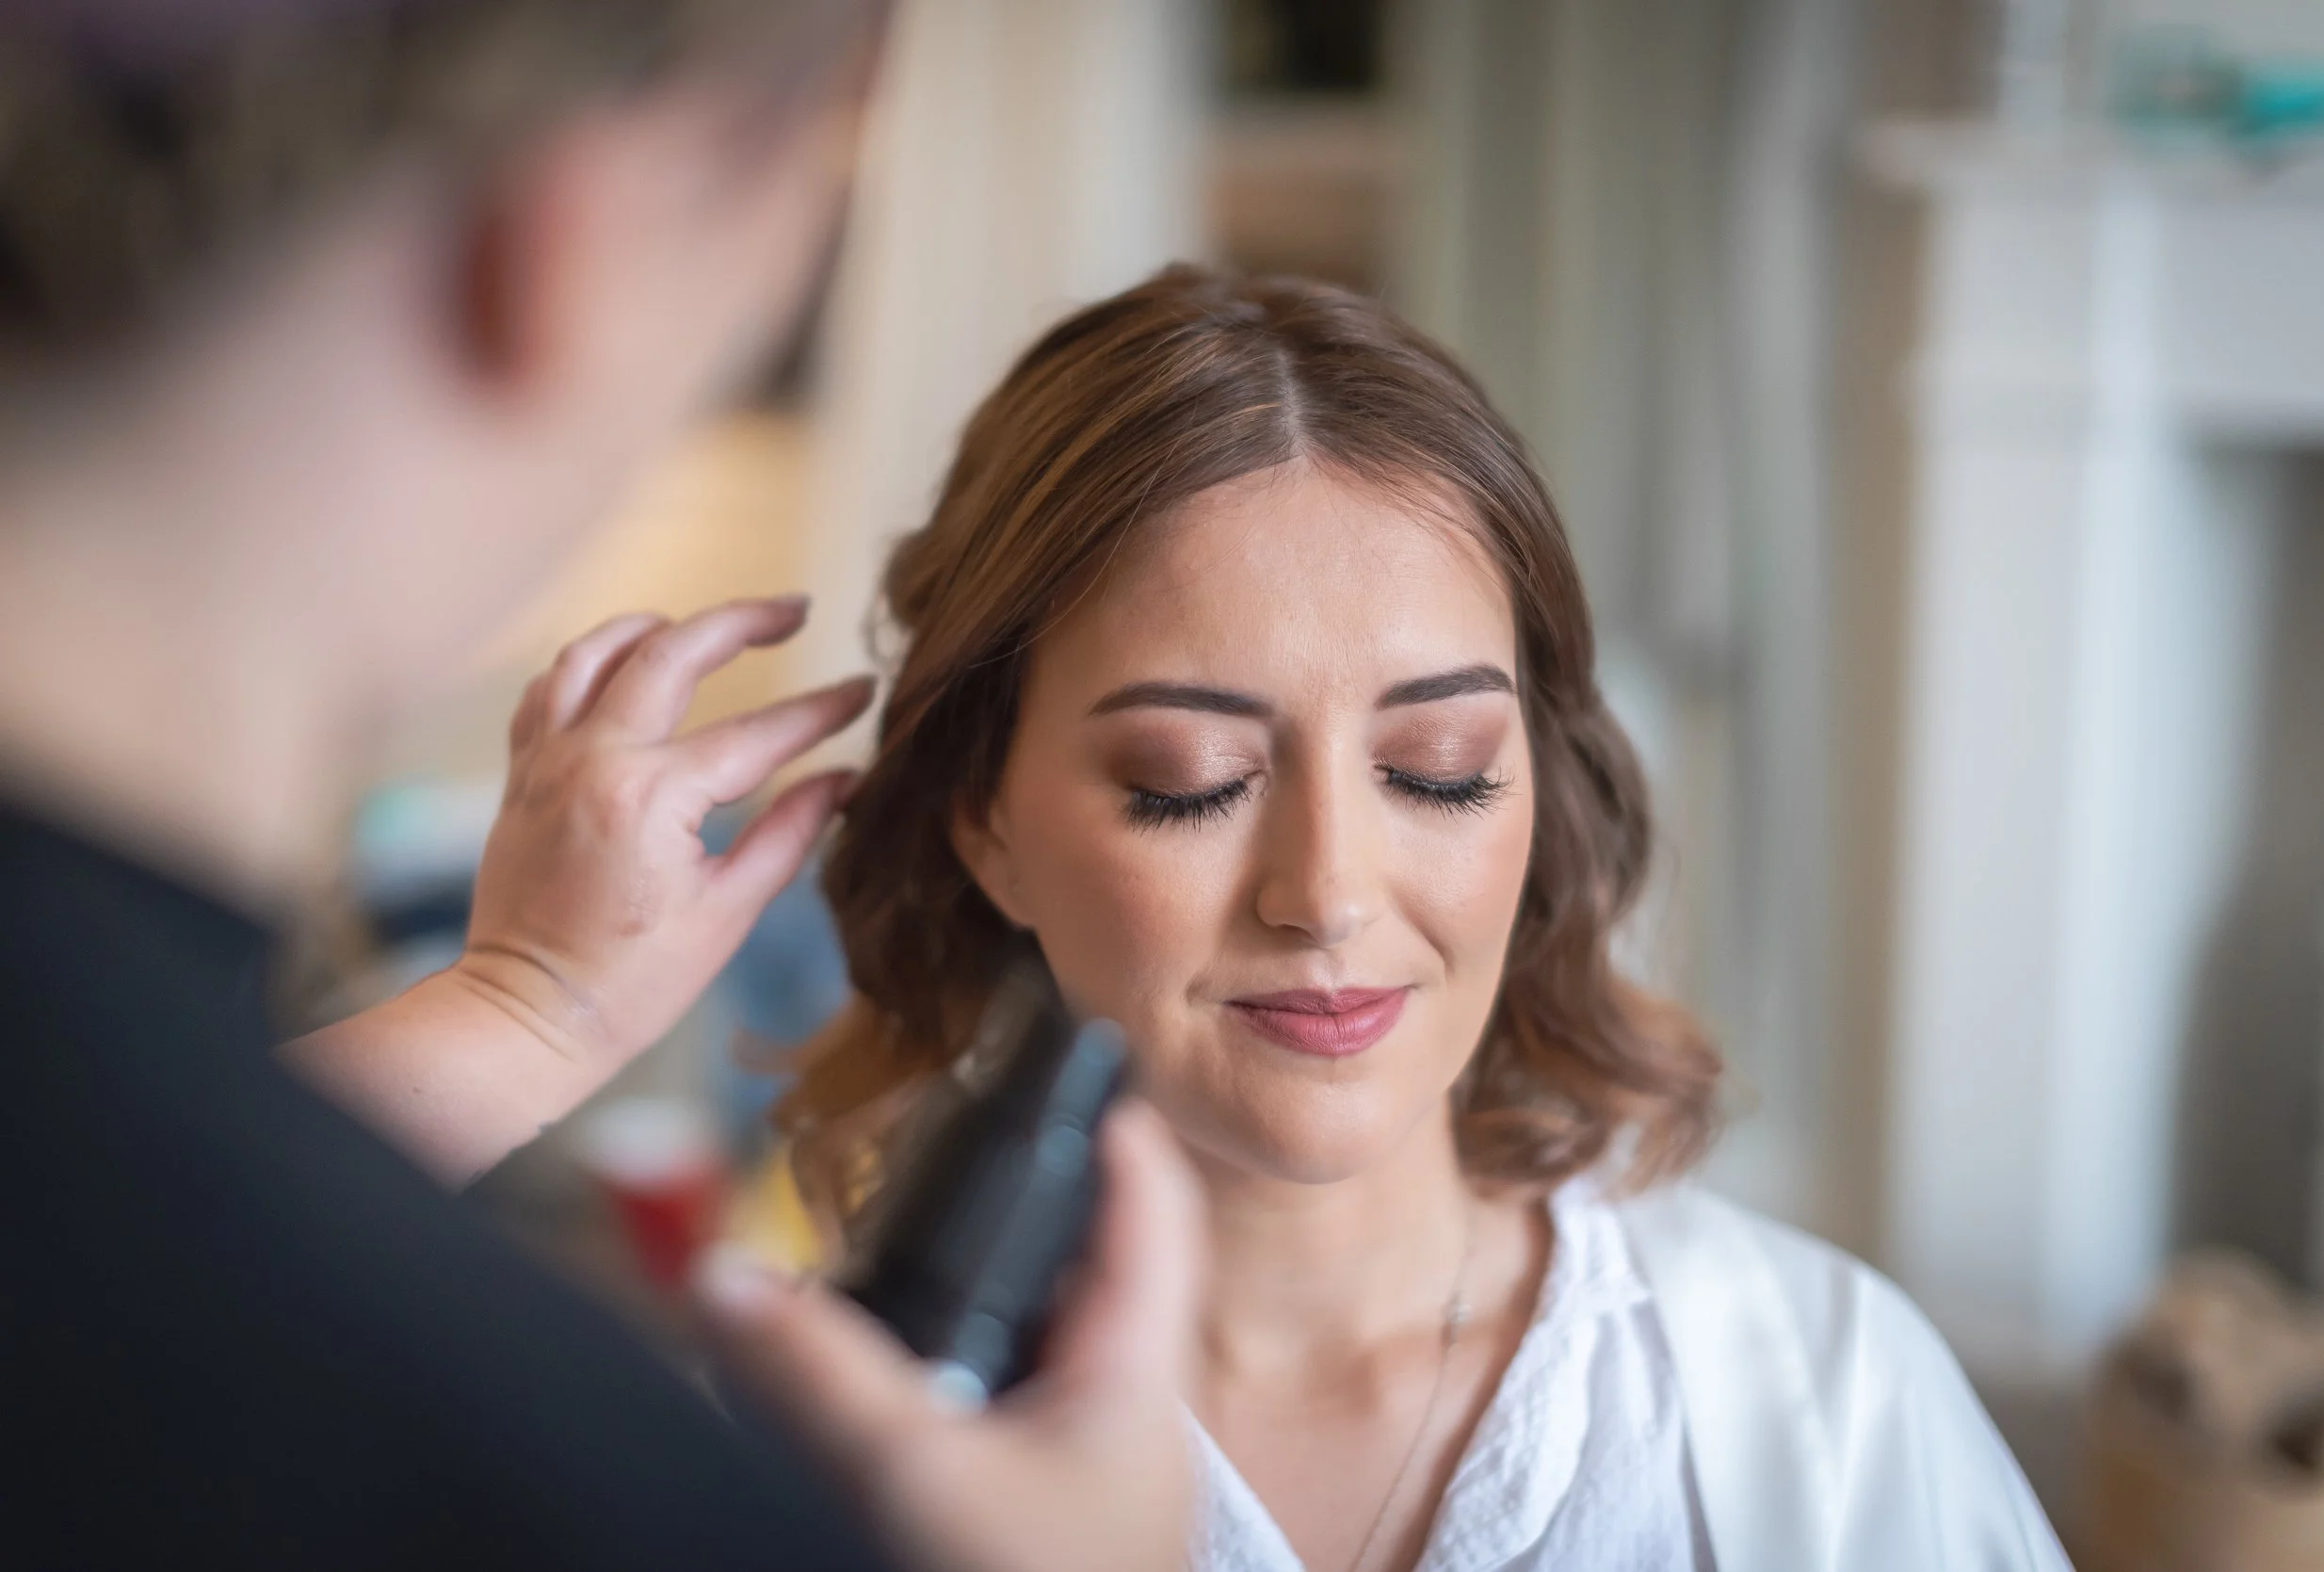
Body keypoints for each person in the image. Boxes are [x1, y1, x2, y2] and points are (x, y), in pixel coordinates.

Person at [0, 2, 1201, 1568]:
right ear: (581, 214)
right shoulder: (586, 1502)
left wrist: (529, 1002)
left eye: (1434, 772)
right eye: (1189, 781)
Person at [767, 267, 2077, 1572]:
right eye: (1191, 785)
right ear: (987, 827)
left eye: (1436, 765)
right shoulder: (842, 1451)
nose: (1328, 894)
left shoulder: (1824, 1400)